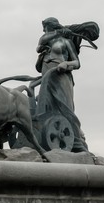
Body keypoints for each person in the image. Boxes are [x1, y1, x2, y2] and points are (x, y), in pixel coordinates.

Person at [35, 17, 89, 152]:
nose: (43, 30)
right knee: (46, 108)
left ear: (51, 26)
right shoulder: (44, 46)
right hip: (47, 77)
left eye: (45, 27)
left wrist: (66, 64)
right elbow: (40, 46)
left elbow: (77, 63)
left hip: (61, 77)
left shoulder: (65, 42)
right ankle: (46, 138)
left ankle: (76, 142)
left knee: (66, 108)